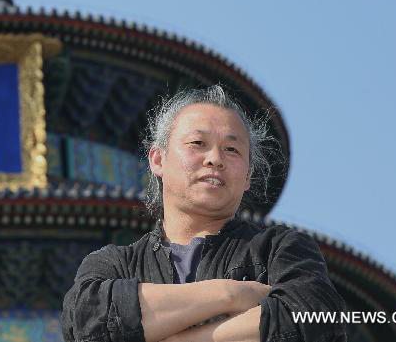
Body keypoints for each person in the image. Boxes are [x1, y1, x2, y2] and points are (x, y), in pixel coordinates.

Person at [61, 85, 347, 342]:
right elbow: (87, 321)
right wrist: (232, 294)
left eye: (232, 149)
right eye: (198, 144)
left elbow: (316, 318)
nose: (215, 159)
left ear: (248, 176)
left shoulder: (279, 250)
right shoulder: (115, 264)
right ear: (158, 159)